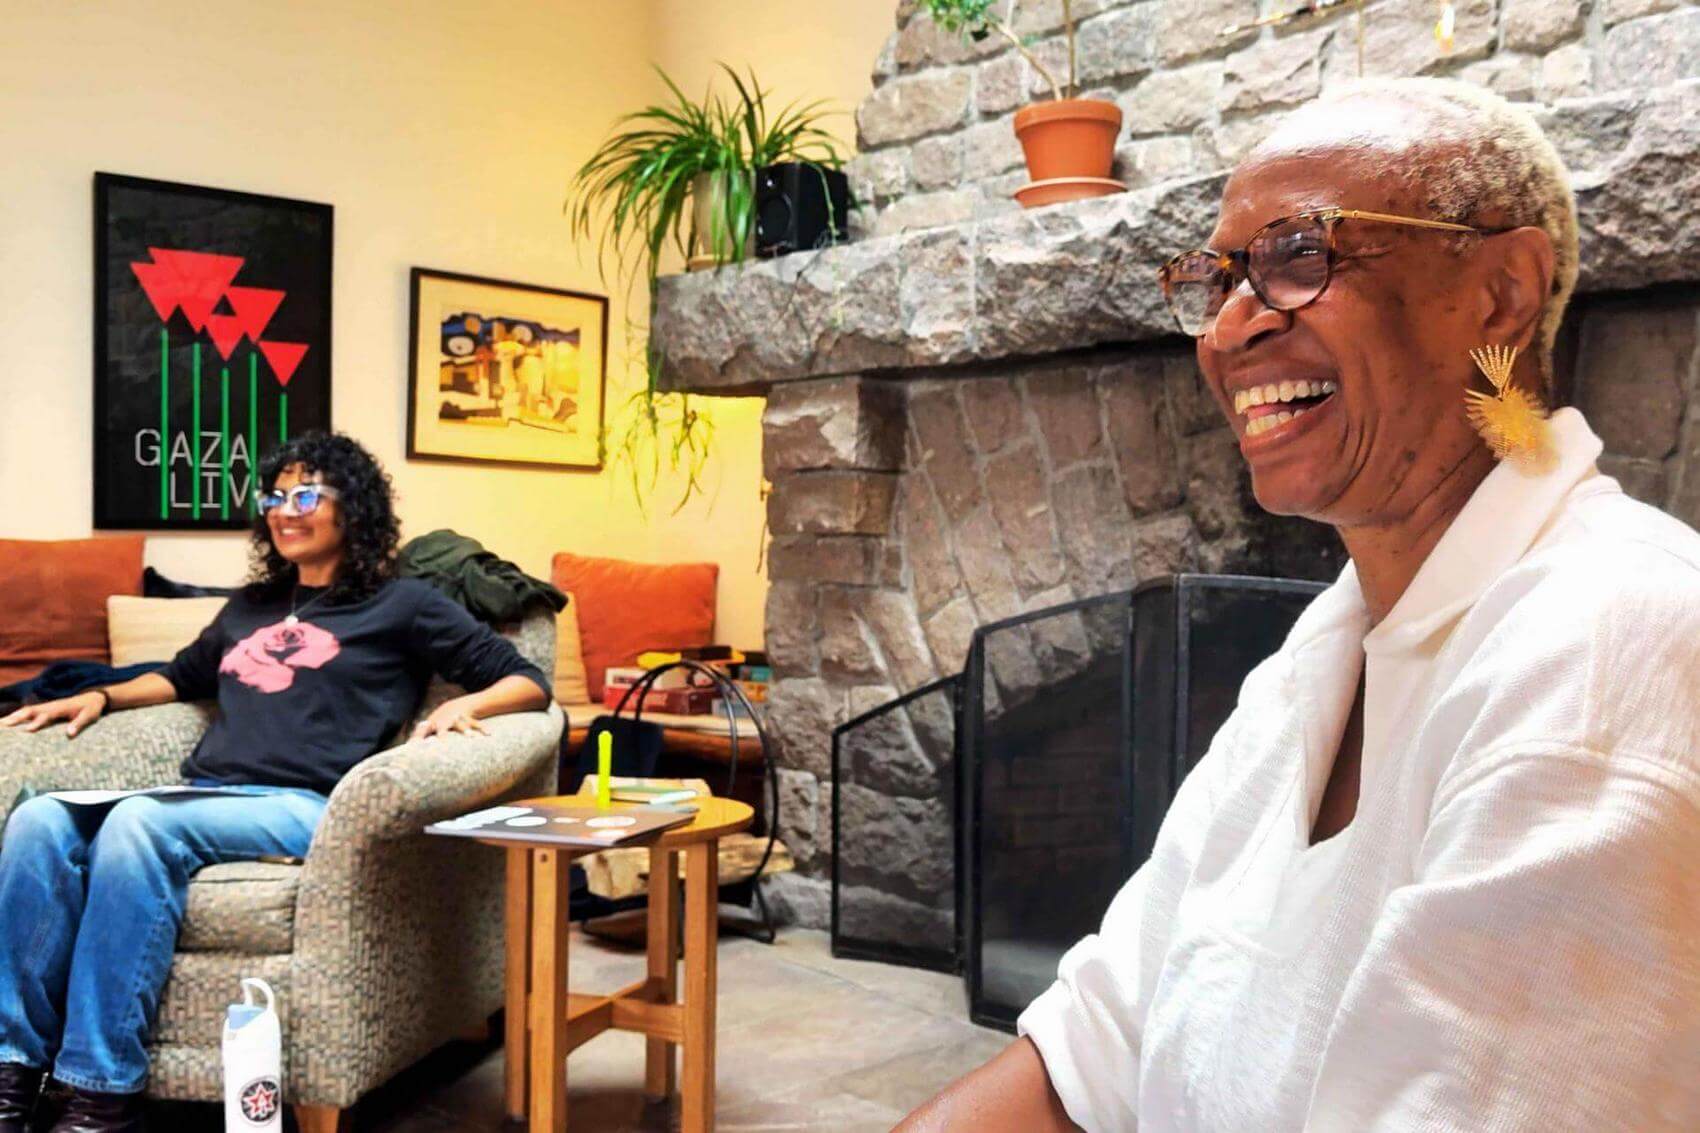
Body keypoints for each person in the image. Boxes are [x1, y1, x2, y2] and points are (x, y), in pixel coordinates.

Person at [898, 77, 1700, 1132]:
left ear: (1499, 292)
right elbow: (1087, 1049)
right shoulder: (1316, 659)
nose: (1228, 332)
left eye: (1297, 258)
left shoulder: (1609, 660)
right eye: (1218, 277)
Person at [0, 433, 551, 1133]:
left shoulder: (402, 603)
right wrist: (103, 696)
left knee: (137, 823)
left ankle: (100, 1091)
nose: (285, 510)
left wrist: (465, 703)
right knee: (40, 820)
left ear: (352, 507)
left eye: (305, 495)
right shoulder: (250, 606)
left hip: (303, 805)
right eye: (274, 496)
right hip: (207, 798)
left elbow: (523, 679)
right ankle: (12, 1074)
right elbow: (181, 675)